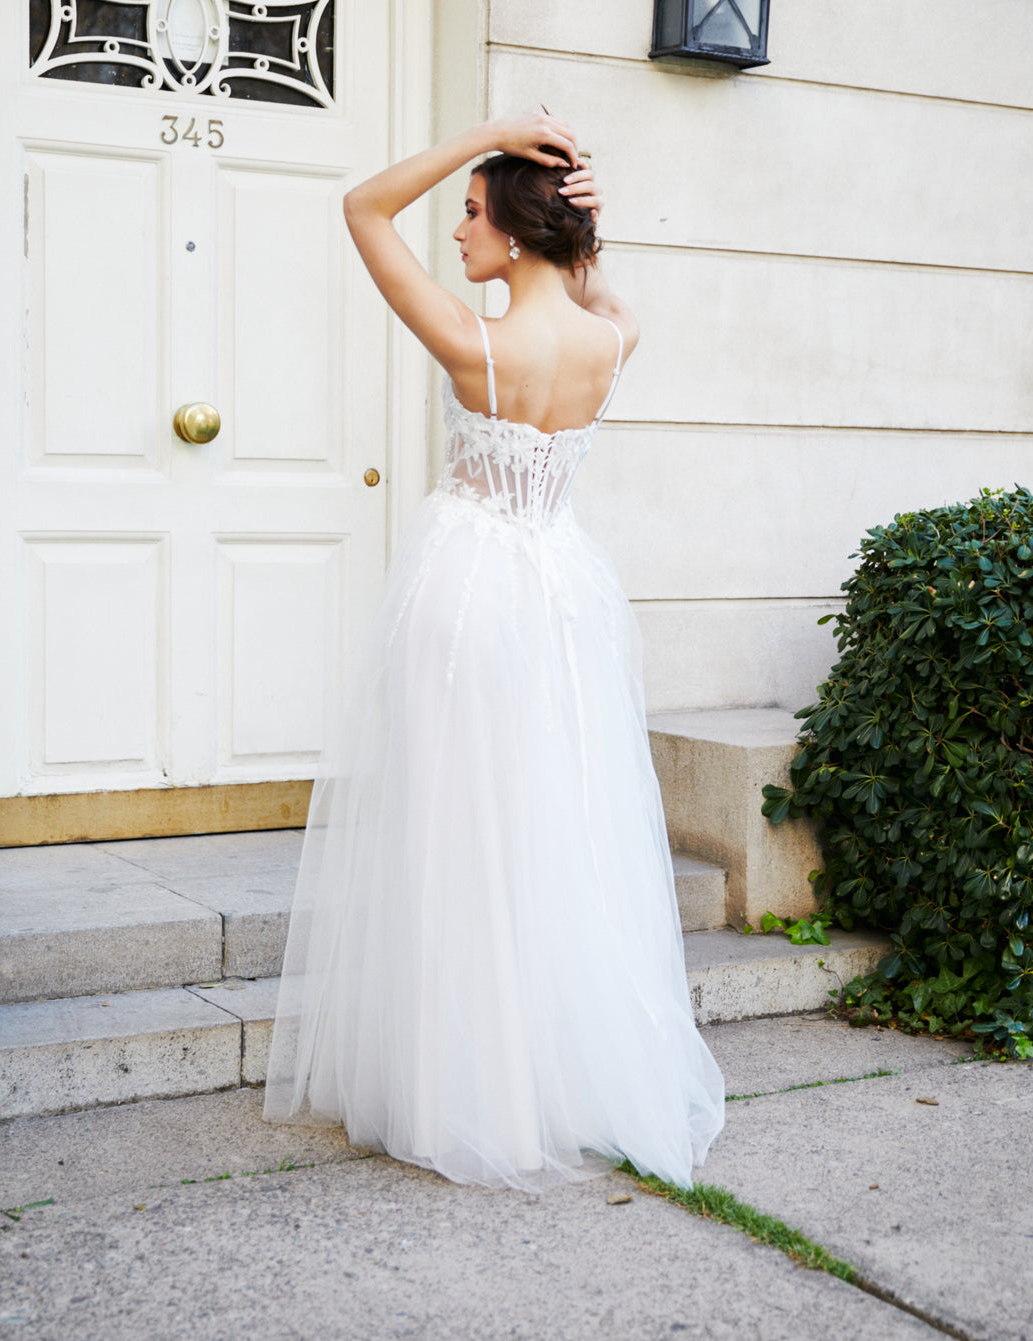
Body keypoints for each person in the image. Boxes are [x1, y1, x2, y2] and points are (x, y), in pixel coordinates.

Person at [263, 112, 725, 1194]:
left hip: (470, 594)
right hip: (565, 594)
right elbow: (597, 290)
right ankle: (549, 1073)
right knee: (549, 824)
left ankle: (465, 1082)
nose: (458, 231)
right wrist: (579, 237)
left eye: (471, 213)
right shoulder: (612, 340)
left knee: (452, 827)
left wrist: (485, 135)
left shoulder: (476, 341)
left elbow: (361, 205)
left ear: (514, 233)